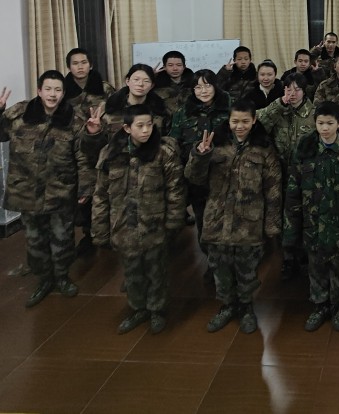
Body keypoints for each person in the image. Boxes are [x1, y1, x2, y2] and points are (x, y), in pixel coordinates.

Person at [0, 71, 84, 308]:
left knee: (63, 238)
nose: (53, 94)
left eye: (58, 90)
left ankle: (62, 277)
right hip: (27, 192)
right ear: (39, 91)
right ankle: (44, 279)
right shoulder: (20, 114)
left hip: (61, 191)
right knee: (35, 240)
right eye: (48, 89)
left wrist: (84, 188)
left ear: (63, 93)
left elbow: (82, 156)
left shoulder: (74, 120)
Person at [186, 100, 281, 335]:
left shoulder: (264, 148)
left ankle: (246, 307)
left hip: (249, 223)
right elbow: (194, 178)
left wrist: (271, 224)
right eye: (235, 121)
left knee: (247, 270)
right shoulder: (215, 145)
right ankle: (228, 305)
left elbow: (273, 188)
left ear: (254, 120)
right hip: (217, 220)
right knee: (220, 268)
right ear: (228, 121)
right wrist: (200, 156)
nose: (240, 126)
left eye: (245, 121)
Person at [90, 103, 186, 334]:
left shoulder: (163, 152)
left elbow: (175, 190)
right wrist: (100, 229)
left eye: (149, 125)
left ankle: (157, 310)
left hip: (155, 225)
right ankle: (138, 308)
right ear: (126, 128)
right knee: (132, 272)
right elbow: (101, 194)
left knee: (156, 271)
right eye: (140, 126)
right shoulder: (111, 154)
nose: (145, 130)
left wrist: (174, 222)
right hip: (124, 225)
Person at [284, 101, 339, 332]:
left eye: (330, 123)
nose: (324, 128)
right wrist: (291, 229)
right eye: (320, 123)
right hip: (312, 224)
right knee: (315, 268)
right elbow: (293, 191)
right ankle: (319, 305)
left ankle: (337, 306)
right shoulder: (304, 149)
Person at [257, 73, 316, 280]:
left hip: (306, 176)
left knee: (306, 215)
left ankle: (305, 256)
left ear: (304, 91)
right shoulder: (277, 110)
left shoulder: (314, 113)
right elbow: (258, 123)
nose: (292, 93)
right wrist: (279, 105)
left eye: (297, 89)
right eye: (288, 89)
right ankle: (288, 257)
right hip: (280, 174)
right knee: (285, 218)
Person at [169, 69, 232, 260]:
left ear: (216, 86)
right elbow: (174, 143)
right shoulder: (183, 113)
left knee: (227, 222)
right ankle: (212, 263)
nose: (203, 91)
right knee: (203, 220)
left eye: (207, 85)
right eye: (198, 87)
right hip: (196, 177)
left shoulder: (229, 109)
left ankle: (226, 262)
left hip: (225, 175)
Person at [62, 47, 115, 257]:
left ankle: (106, 232)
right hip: (74, 150)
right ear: (69, 67)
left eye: (84, 62)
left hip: (101, 146)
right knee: (82, 194)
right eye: (75, 63)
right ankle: (87, 235)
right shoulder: (63, 90)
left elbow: (116, 113)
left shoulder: (104, 88)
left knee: (103, 192)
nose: (80, 67)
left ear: (90, 65)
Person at [99, 63, 170, 137]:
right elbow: (101, 141)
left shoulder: (160, 110)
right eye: (136, 79)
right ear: (127, 81)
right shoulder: (111, 108)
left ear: (152, 85)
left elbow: (168, 138)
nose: (140, 84)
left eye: (146, 81)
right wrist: (94, 133)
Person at [154, 50, 194, 117]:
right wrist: (149, 77)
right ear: (164, 67)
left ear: (184, 67)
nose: (175, 68)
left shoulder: (194, 83)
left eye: (179, 65)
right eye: (170, 65)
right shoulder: (156, 85)